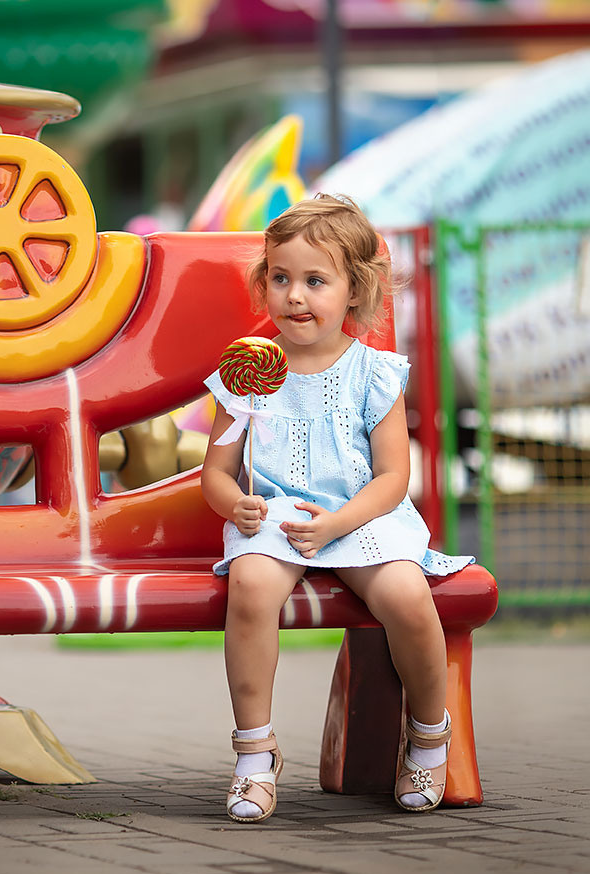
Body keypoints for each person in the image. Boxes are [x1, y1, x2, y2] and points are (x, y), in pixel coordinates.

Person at [201, 194, 474, 823]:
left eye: (315, 280)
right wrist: (236, 504)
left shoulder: (373, 374)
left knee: (407, 596)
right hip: (276, 518)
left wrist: (339, 523)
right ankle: (254, 752)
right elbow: (215, 472)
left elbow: (393, 478)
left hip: (362, 517)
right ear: (264, 282)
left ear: (355, 291)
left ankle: (430, 732)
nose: (295, 295)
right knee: (248, 587)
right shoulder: (251, 371)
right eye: (281, 278)